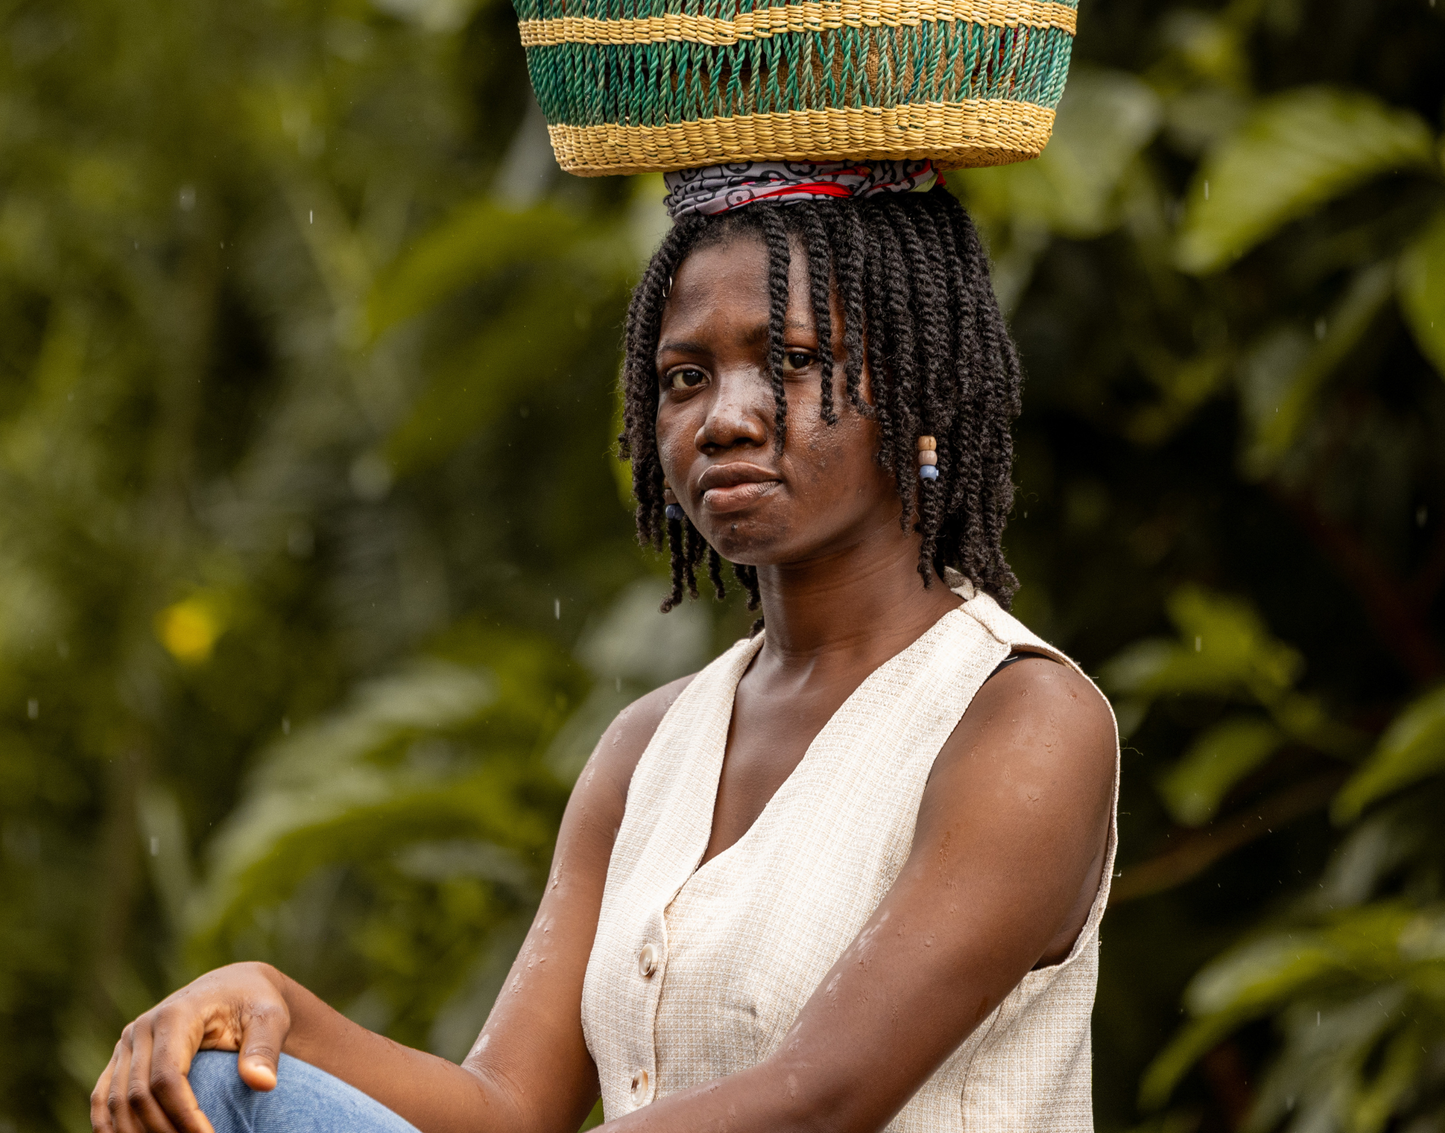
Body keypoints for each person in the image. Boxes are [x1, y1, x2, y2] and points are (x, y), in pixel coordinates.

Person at [92, 164, 1118, 1133]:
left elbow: (817, 1102)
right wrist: (274, 1005)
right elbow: (505, 1109)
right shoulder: (646, 751)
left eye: (794, 363)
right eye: (682, 377)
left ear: (922, 397)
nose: (724, 419)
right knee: (221, 1088)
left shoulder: (1018, 721)